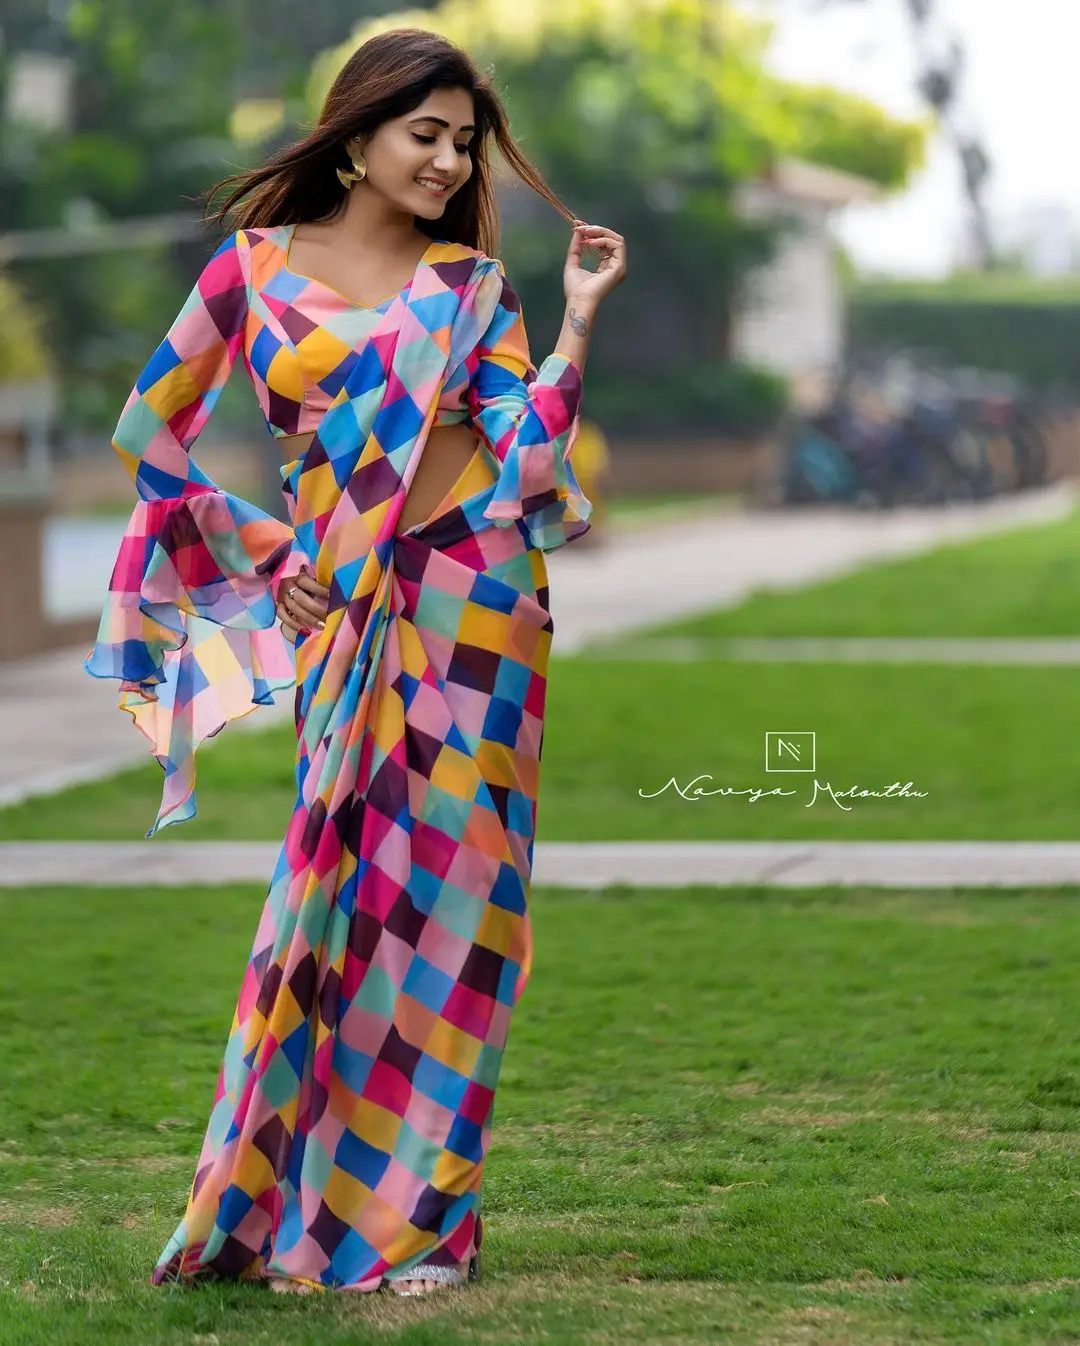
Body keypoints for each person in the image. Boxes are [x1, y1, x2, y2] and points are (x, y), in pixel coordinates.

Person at [83, 26, 626, 1298]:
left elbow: (525, 463)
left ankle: (430, 1215)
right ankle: (288, 1203)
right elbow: (143, 431)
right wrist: (272, 550)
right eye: (423, 133)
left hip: (478, 599)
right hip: (343, 608)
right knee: (337, 898)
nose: (445, 159)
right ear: (359, 131)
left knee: (462, 906)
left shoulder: (467, 284)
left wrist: (577, 324)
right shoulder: (250, 271)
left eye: (462, 141)